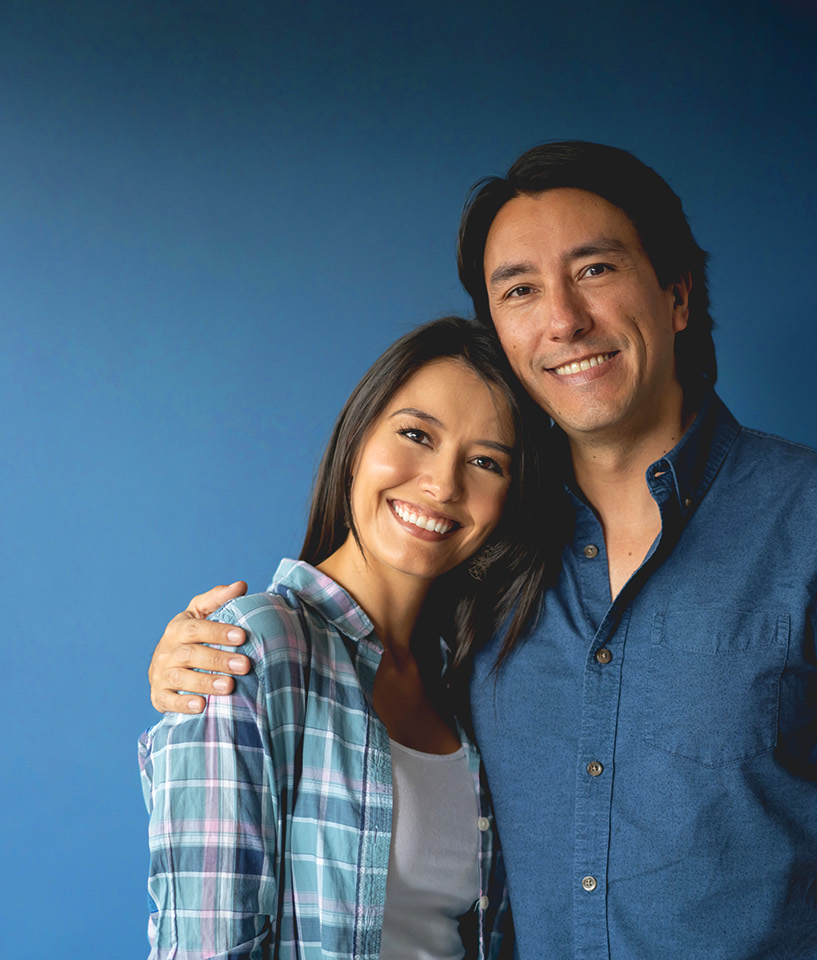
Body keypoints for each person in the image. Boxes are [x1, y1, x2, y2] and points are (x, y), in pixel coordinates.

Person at [146, 143, 817, 960]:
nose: (563, 319)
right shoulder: (489, 540)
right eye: (519, 289)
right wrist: (206, 662)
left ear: (678, 295)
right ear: (502, 335)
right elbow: (354, 641)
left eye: (596, 271)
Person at [142, 317, 563, 959]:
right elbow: (206, 948)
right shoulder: (255, 649)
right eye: (416, 434)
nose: (444, 485)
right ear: (358, 439)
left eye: (486, 462)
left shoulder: (471, 684)